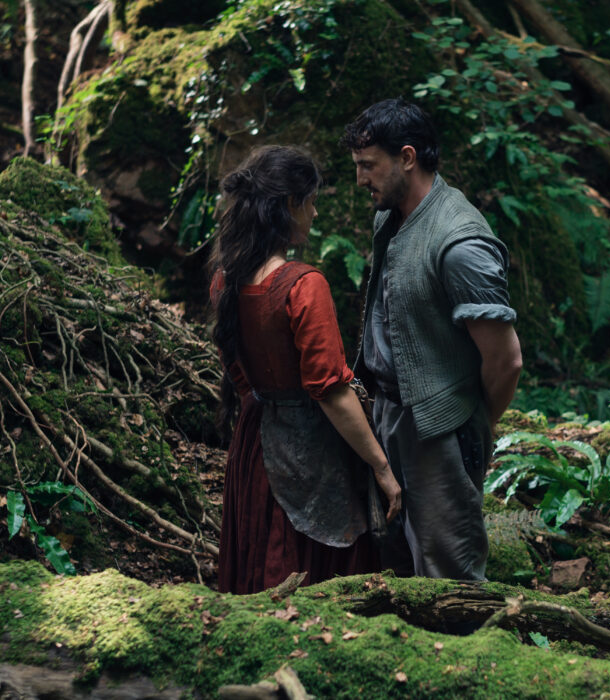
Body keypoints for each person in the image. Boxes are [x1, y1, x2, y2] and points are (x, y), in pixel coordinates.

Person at [341, 98, 522, 580]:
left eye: (368, 165)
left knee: (449, 573)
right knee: (396, 563)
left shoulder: (461, 243)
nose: (359, 179)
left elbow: (506, 361)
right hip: (387, 416)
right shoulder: (389, 217)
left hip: (440, 431)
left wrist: (470, 425)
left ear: (407, 157)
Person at [209, 145, 401, 595]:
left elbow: (238, 372)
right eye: (310, 202)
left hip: (255, 443)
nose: (314, 213)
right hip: (310, 449)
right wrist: (381, 466)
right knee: (307, 571)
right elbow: (330, 390)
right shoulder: (303, 285)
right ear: (289, 205)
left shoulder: (226, 278)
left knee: (261, 551)